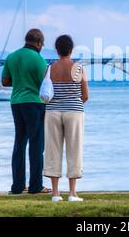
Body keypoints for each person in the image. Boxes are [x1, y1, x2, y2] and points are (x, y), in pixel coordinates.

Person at [2, 28, 50, 194]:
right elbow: (45, 85)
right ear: (38, 43)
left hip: (16, 103)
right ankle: (36, 185)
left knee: (19, 144)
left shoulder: (12, 56)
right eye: (42, 44)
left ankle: (17, 186)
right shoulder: (38, 59)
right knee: (36, 145)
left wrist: (20, 82)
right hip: (34, 104)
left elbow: (5, 81)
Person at [43, 35, 89, 202]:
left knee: (52, 150)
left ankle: (55, 193)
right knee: (74, 149)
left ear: (57, 49)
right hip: (74, 112)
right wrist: (73, 103)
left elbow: (46, 91)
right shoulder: (79, 68)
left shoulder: (49, 68)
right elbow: (85, 95)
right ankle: (72, 193)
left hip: (52, 112)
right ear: (71, 49)